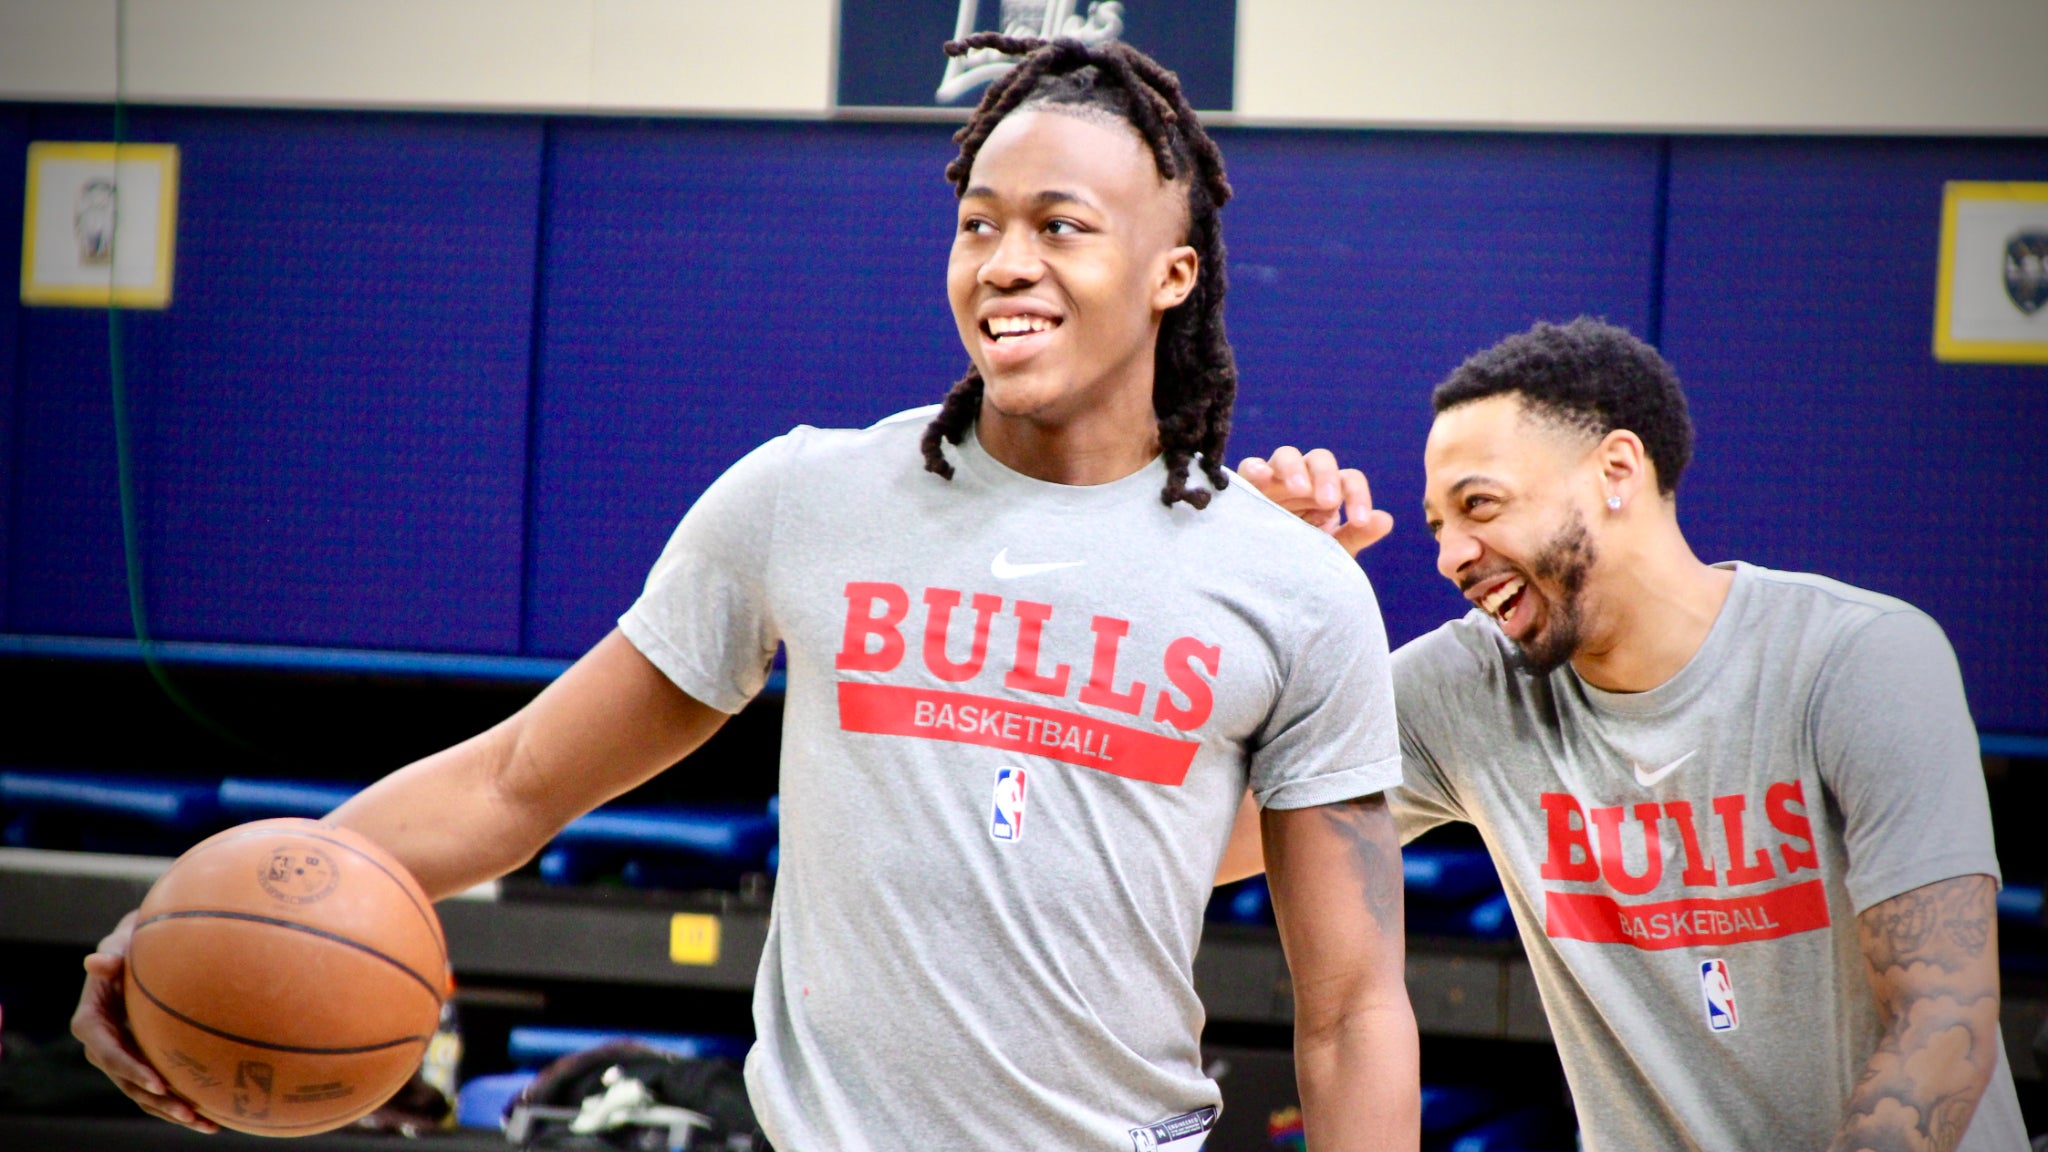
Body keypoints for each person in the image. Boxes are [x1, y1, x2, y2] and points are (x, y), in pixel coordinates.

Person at [71, 37, 1421, 1152]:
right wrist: (195, 911)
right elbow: (520, 782)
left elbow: (1352, 1004)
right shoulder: (806, 497)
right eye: (978, 225)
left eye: (1061, 227)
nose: (1005, 262)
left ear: (1171, 275)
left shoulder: (1286, 582)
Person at [1226, 317, 2027, 1151]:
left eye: (1481, 506)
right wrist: (1261, 611)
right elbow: (1206, 850)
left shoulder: (1861, 659)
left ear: (1617, 470)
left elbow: (1942, 1022)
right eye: (1438, 526)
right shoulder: (1465, 686)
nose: (1451, 556)